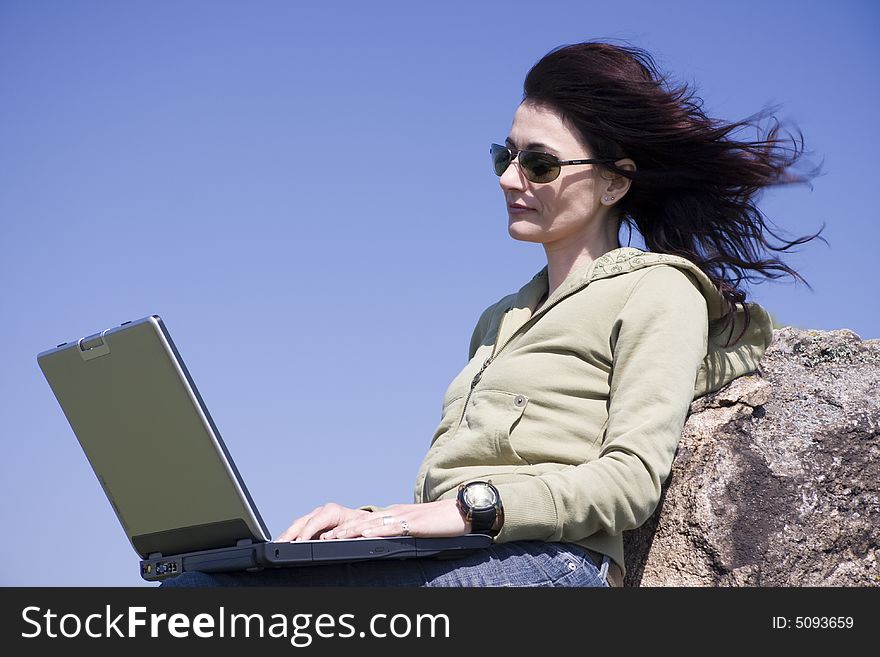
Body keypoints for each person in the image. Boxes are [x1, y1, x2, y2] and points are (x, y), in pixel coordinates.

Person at [162, 40, 822, 588]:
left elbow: (628, 482)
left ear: (615, 181)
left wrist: (471, 508)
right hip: (453, 558)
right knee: (195, 588)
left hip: (550, 564)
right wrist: (362, 519)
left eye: (538, 163)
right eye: (505, 156)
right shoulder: (497, 318)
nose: (511, 179)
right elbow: (442, 489)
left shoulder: (658, 292)